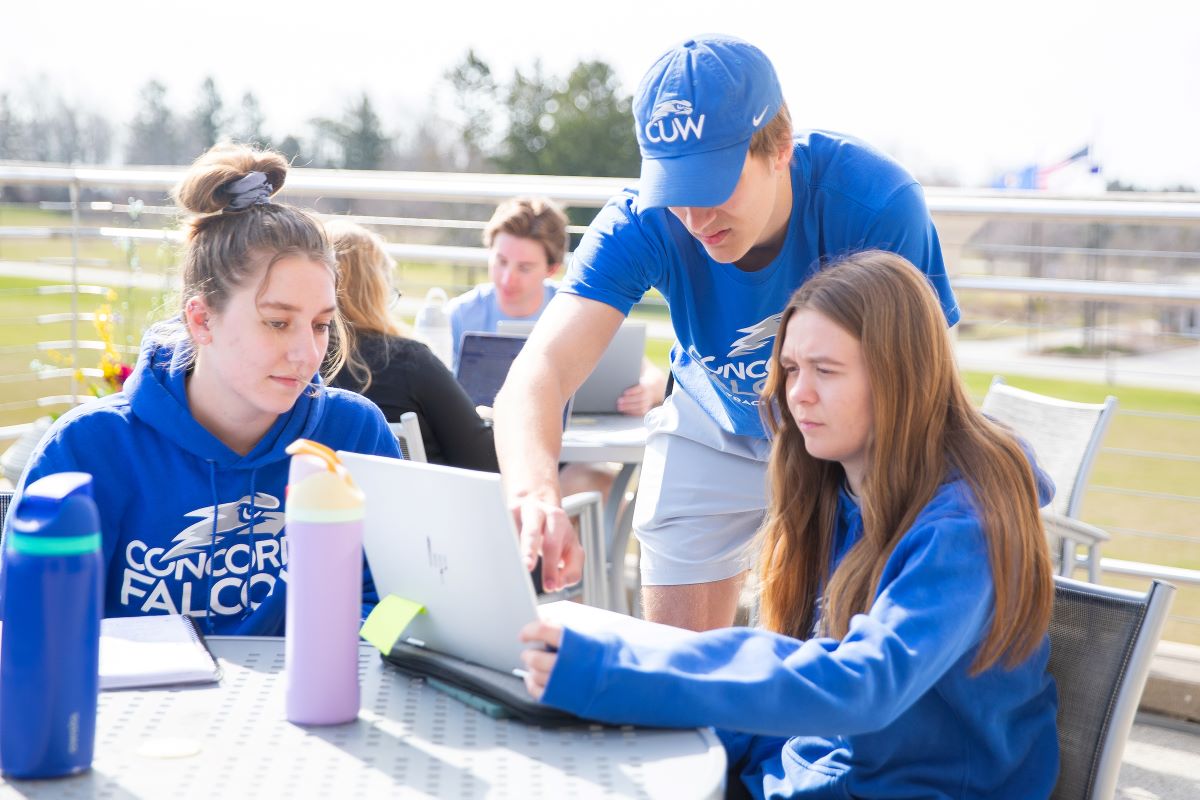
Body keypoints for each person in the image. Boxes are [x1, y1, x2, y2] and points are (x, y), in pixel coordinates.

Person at [519, 251, 1058, 799]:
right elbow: (796, 693)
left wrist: (621, 674)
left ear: (901, 378)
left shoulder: (964, 526)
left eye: (826, 370)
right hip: (815, 774)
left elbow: (860, 684)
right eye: (793, 369)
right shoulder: (838, 487)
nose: (798, 393)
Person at [494, 34, 959, 607]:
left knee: (839, 648)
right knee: (674, 668)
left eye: (713, 186)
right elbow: (539, 369)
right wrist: (537, 495)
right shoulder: (642, 222)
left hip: (857, 434)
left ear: (780, 147)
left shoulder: (877, 205)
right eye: (675, 190)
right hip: (712, 419)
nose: (694, 217)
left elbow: (923, 390)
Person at [0, 144, 400, 636]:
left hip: (311, 704)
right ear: (201, 319)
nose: (306, 354)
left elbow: (395, 605)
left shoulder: (354, 434)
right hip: (138, 709)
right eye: (277, 322)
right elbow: (33, 632)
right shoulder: (89, 448)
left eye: (320, 325)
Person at [448, 196, 666, 418]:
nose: (507, 279)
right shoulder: (459, 315)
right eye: (501, 261)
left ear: (551, 269)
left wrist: (647, 392)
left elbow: (653, 377)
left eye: (524, 268)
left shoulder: (579, 307)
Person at [326, 219, 498, 471]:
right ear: (375, 290)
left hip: (329, 504)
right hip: (421, 506)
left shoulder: (302, 361)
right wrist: (495, 421)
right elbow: (485, 462)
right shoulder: (407, 360)